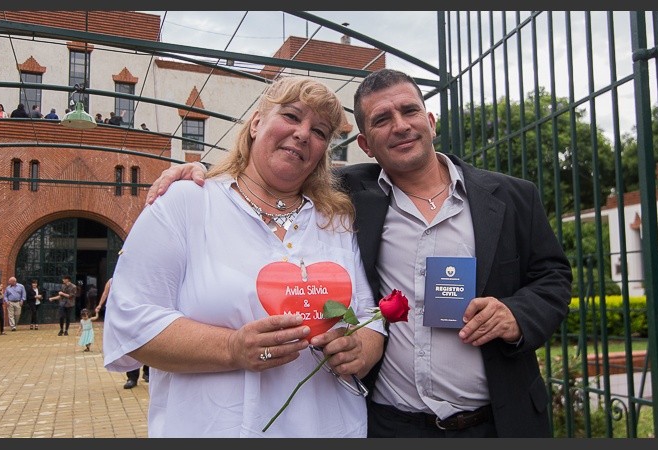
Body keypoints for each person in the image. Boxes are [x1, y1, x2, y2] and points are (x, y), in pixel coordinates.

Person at [147, 68, 573, 438]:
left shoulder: (513, 196)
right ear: (366, 145)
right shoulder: (352, 199)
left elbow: (553, 277)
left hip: (496, 421)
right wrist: (198, 171)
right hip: (393, 424)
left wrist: (517, 315)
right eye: (382, 120)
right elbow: (276, 168)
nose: (400, 126)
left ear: (430, 119)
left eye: (409, 111)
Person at [103, 76, 386, 437]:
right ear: (256, 124)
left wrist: (362, 348)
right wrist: (232, 348)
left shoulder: (336, 221)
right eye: (291, 116)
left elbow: (371, 317)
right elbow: (130, 321)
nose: (302, 134)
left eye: (319, 131)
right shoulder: (187, 204)